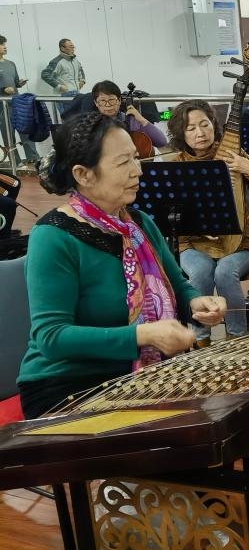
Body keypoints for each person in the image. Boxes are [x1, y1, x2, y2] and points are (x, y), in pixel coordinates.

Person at [17, 112, 226, 419]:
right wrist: (142, 335)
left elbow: (179, 285)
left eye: (136, 158)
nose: (137, 170)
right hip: (67, 384)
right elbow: (52, 337)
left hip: (136, 375)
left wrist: (197, 302)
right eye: (123, 162)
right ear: (83, 174)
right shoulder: (53, 236)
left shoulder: (139, 224)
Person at [167, 99, 249, 347]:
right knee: (200, 272)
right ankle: (201, 341)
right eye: (191, 128)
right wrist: (199, 229)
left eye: (204, 124)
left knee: (225, 271)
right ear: (181, 134)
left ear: (214, 125)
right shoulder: (177, 165)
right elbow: (171, 216)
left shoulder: (233, 153)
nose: (200, 133)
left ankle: (237, 339)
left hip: (242, 242)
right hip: (193, 244)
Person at [0, 34, 38, 175]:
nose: (5, 47)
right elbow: (4, 87)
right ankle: (15, 162)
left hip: (17, 103)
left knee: (26, 130)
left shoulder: (10, 64)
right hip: (2, 106)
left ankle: (33, 159)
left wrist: (19, 83)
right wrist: (3, 90)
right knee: (8, 135)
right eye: (2, 44)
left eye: (5, 44)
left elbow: (15, 83)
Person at [91, 80, 168, 149]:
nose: (108, 105)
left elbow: (161, 142)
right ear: (96, 103)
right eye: (102, 101)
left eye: (111, 100)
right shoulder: (90, 123)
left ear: (119, 100)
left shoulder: (131, 121)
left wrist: (141, 119)